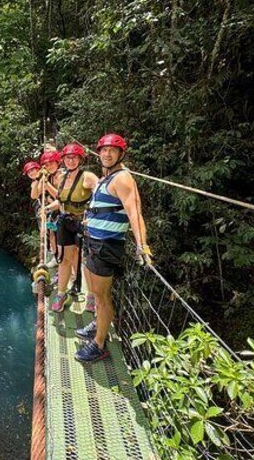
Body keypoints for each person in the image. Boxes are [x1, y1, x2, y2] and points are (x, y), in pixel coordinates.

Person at [75, 133, 152, 362]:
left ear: (120, 154)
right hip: (94, 242)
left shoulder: (122, 179)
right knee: (97, 294)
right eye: (103, 150)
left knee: (102, 296)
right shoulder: (106, 179)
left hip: (106, 246)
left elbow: (134, 212)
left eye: (112, 150)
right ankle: (99, 323)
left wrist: (142, 245)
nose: (107, 154)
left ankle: (99, 344)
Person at [44, 143, 98, 313]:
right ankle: (61, 293)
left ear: (80, 159)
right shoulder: (62, 178)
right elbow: (61, 201)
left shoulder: (88, 177)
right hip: (65, 222)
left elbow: (101, 196)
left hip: (82, 223)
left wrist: (94, 216)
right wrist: (47, 208)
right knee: (65, 259)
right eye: (68, 158)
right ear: (63, 160)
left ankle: (91, 297)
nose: (71, 161)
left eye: (74, 158)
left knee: (85, 261)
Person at [38, 149, 62, 266]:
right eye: (46, 164)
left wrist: (46, 184)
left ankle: (60, 258)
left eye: (52, 163)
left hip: (62, 211)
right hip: (54, 212)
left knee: (60, 236)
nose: (49, 166)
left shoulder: (61, 176)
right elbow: (35, 194)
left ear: (58, 162)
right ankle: (55, 256)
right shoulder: (50, 176)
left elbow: (61, 197)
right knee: (52, 232)